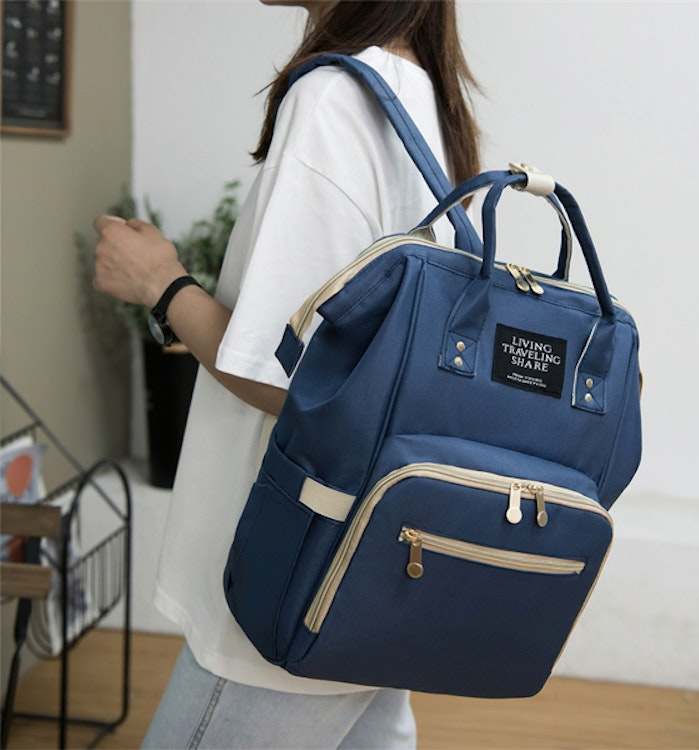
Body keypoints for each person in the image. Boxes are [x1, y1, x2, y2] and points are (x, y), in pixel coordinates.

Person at [93, 1, 481, 747]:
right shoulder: (424, 96)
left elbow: (291, 383)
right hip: (369, 559)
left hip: (288, 570)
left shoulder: (336, 96)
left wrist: (161, 284)